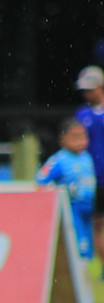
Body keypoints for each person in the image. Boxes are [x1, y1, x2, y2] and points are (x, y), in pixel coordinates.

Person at [36, 119, 96, 280]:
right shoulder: (59, 160)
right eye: (75, 137)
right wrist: (58, 193)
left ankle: (87, 291)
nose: (81, 141)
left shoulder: (87, 158)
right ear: (63, 139)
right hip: (72, 210)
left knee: (88, 250)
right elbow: (41, 180)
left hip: (88, 210)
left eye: (83, 137)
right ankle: (83, 292)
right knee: (79, 250)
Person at [75, 65, 104, 273]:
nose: (86, 93)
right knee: (97, 223)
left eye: (89, 88)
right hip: (93, 178)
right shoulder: (82, 114)